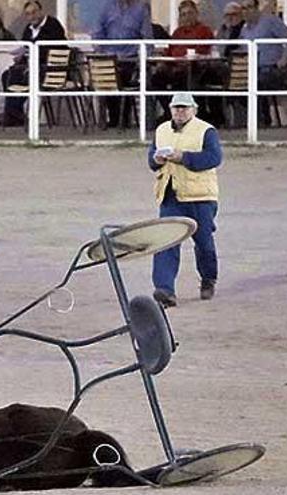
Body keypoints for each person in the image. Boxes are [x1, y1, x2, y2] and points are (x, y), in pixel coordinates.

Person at [147, 93, 222, 308]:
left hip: (200, 197)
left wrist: (184, 158)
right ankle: (165, 289)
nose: (180, 112)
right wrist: (156, 159)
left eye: (184, 108)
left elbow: (214, 158)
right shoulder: (161, 130)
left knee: (204, 243)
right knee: (166, 242)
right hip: (170, 194)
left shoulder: (206, 131)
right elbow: (151, 159)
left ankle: (208, 279)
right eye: (176, 108)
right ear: (170, 109)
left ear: (194, 110)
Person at [0, 1, 66, 126]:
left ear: (41, 11)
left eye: (34, 12)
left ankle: (13, 115)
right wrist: (20, 57)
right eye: (28, 14)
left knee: (22, 77)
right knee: (7, 75)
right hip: (31, 67)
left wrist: (29, 53)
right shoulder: (28, 29)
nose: (32, 17)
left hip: (49, 69)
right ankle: (16, 115)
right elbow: (26, 47)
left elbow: (53, 48)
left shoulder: (53, 25)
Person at [149, 1, 215, 122]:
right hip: (175, 68)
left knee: (186, 78)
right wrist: (162, 62)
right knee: (155, 79)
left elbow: (204, 51)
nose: (187, 17)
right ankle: (170, 112)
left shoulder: (204, 30)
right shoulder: (177, 33)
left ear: (196, 14)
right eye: (183, 14)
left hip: (196, 68)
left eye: (190, 13)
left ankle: (191, 115)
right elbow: (169, 52)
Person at [92, 0, 152, 128]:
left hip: (130, 57)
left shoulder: (141, 9)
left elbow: (147, 36)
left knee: (124, 76)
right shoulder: (106, 7)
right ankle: (113, 118)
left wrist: (144, 57)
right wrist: (100, 53)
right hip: (109, 56)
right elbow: (97, 33)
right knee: (107, 74)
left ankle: (123, 119)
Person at [238, 0, 287, 127]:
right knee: (235, 84)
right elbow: (242, 50)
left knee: (257, 82)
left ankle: (261, 121)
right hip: (251, 70)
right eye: (243, 8)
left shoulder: (270, 22)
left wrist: (283, 61)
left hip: (272, 70)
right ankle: (256, 120)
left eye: (249, 7)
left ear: (257, 8)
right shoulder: (245, 29)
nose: (246, 11)